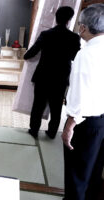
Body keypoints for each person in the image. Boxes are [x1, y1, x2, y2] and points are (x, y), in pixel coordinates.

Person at [62, 3, 104, 200]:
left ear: (84, 27)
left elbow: (79, 94)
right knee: (94, 171)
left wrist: (70, 124)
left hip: (86, 122)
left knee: (76, 173)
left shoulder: (86, 54)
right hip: (102, 122)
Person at [23, 6, 80, 139]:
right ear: (69, 20)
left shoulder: (46, 34)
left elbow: (32, 52)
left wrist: (25, 56)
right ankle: (52, 132)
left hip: (43, 76)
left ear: (56, 18)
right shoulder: (74, 38)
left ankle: (34, 130)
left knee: (38, 105)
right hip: (60, 78)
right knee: (56, 108)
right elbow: (74, 57)